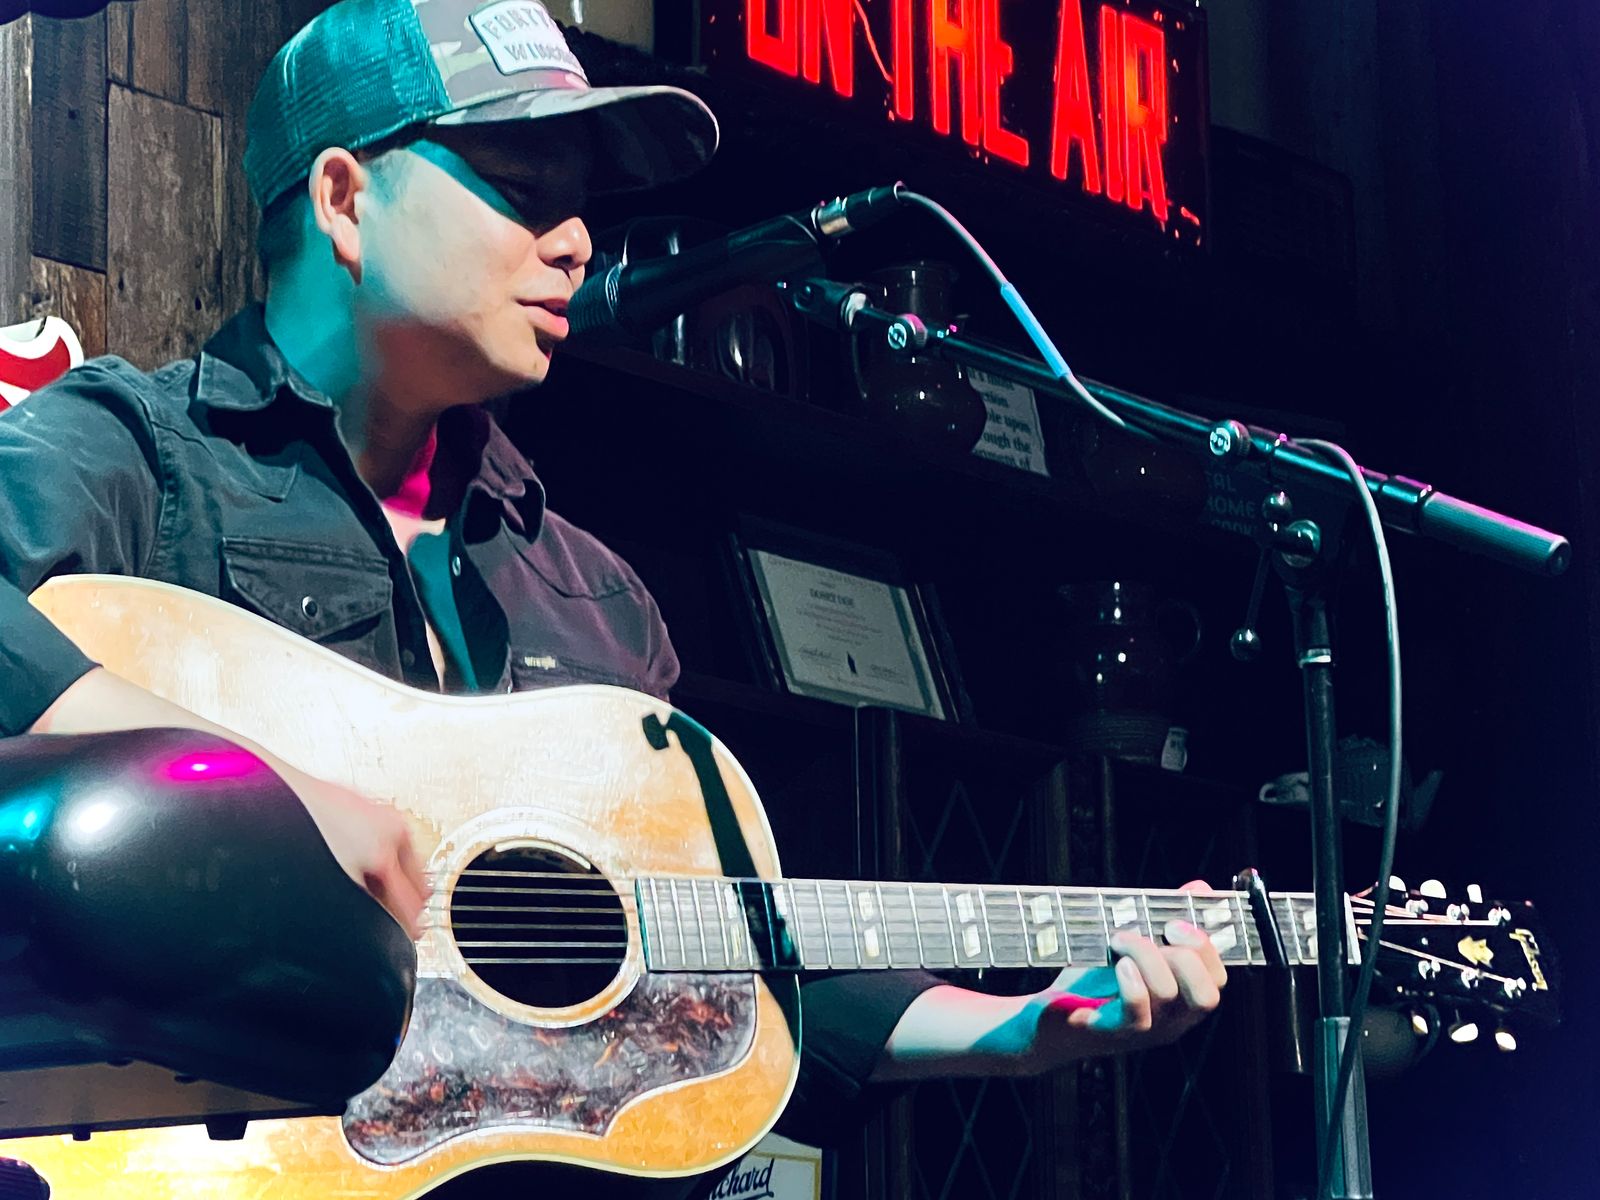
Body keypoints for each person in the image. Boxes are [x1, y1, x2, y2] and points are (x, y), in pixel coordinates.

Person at [0, 0, 1226, 1194]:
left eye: (579, 202)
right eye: (522, 186)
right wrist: (256, 791)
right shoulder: (139, 454)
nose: (579, 241)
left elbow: (714, 972)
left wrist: (1022, 1030)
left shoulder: (596, 600)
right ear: (343, 199)